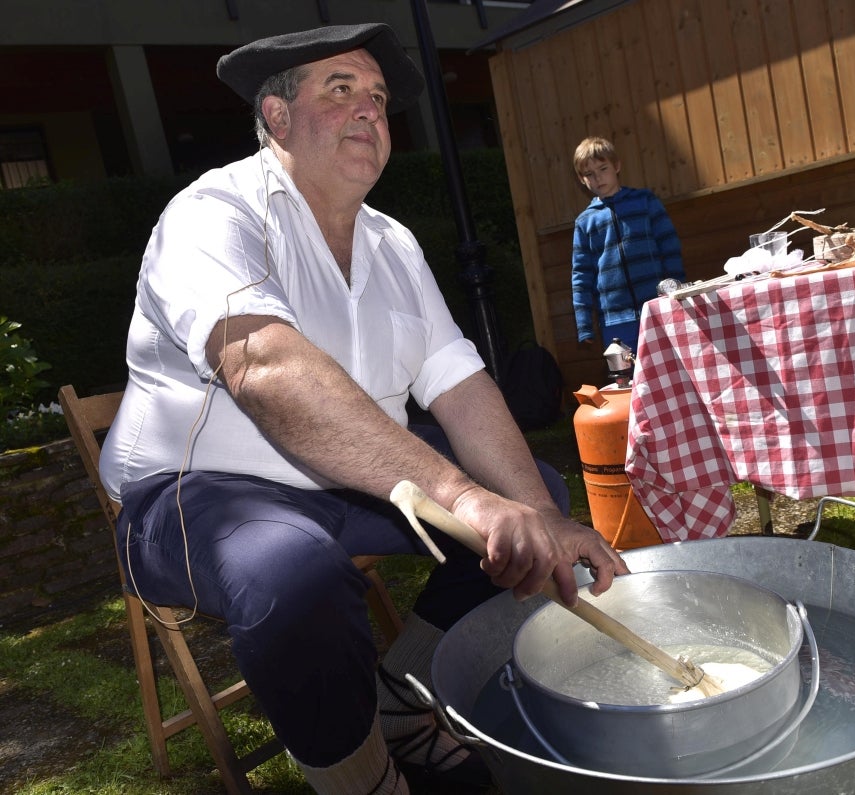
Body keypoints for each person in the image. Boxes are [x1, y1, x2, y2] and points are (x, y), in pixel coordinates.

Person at [98, 23, 627, 795]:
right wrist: (463, 497)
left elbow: (460, 384)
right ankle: (366, 781)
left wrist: (534, 511)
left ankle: (403, 696)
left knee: (533, 495)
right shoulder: (212, 212)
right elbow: (264, 367)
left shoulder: (392, 244)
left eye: (378, 98)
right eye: (340, 90)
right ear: (277, 116)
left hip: (343, 483)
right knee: (294, 573)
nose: (370, 111)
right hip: (193, 493)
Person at [570, 136, 685, 355]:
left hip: (657, 308)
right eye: (589, 174)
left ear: (616, 166)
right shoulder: (584, 222)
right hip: (615, 321)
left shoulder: (645, 201)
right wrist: (584, 325)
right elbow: (581, 277)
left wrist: (678, 294)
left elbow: (670, 248)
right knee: (627, 374)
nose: (598, 178)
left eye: (603, 169)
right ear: (581, 179)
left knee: (670, 366)